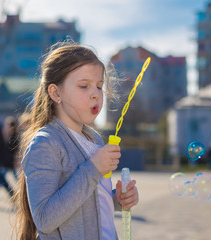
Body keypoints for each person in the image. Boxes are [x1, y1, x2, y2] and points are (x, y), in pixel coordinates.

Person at [13, 41, 139, 240]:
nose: (95, 94)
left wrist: (116, 199)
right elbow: (45, 219)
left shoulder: (94, 138)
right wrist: (93, 169)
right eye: (84, 86)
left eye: (99, 86)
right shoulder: (46, 144)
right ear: (56, 93)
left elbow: (89, 200)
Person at [0, 116, 20, 197]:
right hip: (5, 162)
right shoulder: (5, 135)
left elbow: (16, 151)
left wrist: (16, 161)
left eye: (9, 125)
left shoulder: (14, 137)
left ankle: (22, 190)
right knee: (1, 179)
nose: (7, 127)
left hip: (11, 162)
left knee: (15, 179)